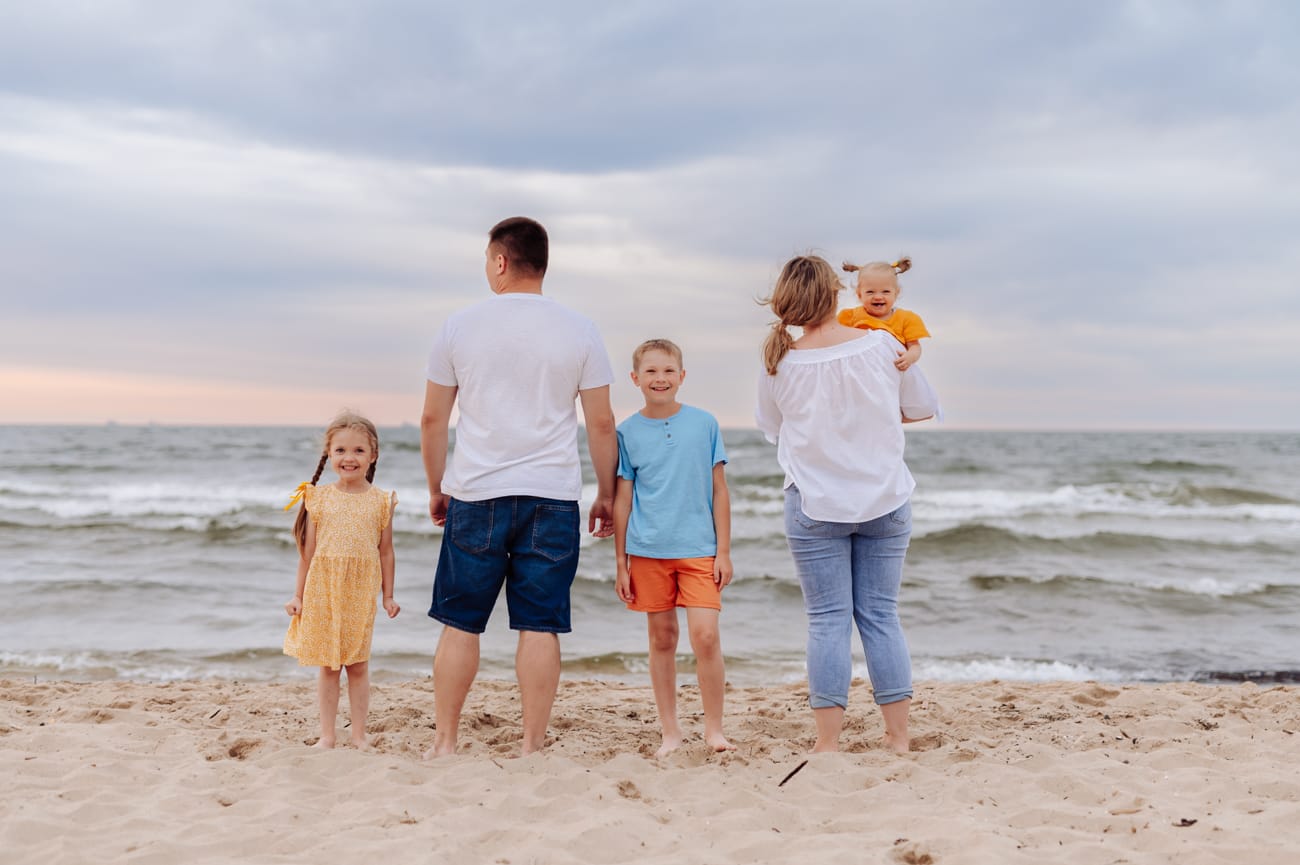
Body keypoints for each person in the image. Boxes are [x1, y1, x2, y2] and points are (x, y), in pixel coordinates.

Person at [421, 216, 618, 758]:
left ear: (501, 261)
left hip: (477, 491)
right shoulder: (580, 328)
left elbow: (433, 421)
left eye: (489, 259)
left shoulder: (459, 326)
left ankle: (445, 743)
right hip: (551, 495)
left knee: (461, 623)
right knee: (539, 624)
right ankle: (532, 746)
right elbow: (601, 424)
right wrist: (605, 492)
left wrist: (437, 485)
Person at [754, 255, 939, 754]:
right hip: (884, 497)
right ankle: (898, 738)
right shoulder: (883, 344)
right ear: (838, 294)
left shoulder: (779, 361)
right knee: (880, 615)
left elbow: (773, 429)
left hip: (814, 504)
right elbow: (920, 409)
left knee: (828, 620)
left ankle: (828, 744)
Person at [613, 338, 735, 757]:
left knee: (705, 636)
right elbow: (623, 498)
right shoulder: (626, 432)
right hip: (647, 550)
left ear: (682, 377)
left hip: (699, 548)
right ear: (635, 379)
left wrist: (723, 551)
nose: (659, 378)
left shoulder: (704, 424)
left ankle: (714, 730)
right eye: (650, 371)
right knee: (662, 638)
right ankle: (671, 732)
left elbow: (720, 491)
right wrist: (620, 562)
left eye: (668, 371)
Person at [283, 411, 400, 749]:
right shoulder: (318, 497)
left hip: (360, 591)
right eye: (341, 451)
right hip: (323, 589)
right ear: (329, 454)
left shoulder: (381, 501)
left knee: (358, 665)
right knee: (329, 667)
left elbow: (386, 552)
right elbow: (307, 554)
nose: (349, 458)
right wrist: (298, 596)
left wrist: (388, 596)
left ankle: (359, 735)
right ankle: (328, 736)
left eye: (359, 451)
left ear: (373, 455)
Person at [838, 256, 930, 371]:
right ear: (859, 294)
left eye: (885, 291)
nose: (878, 297)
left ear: (896, 293)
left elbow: (915, 346)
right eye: (870, 292)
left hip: (892, 371)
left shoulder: (906, 319)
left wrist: (910, 357)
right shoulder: (850, 317)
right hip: (860, 371)